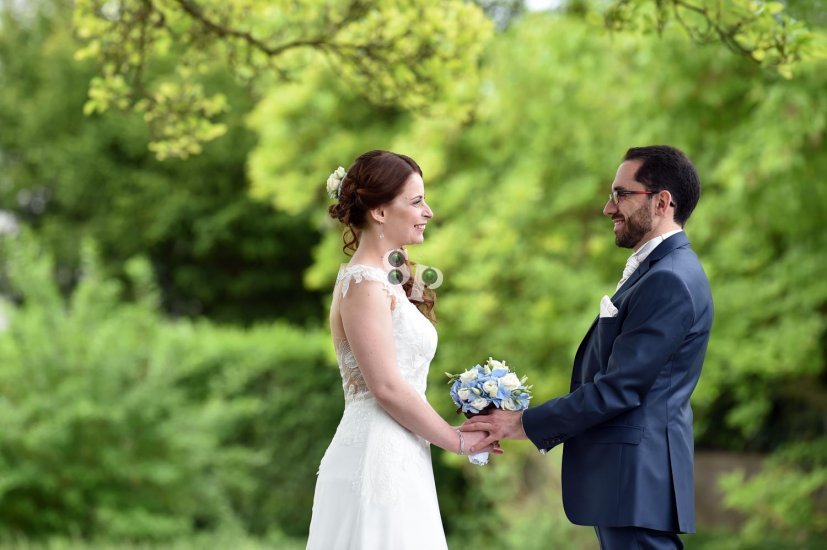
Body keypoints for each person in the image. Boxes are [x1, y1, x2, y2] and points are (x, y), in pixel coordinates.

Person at [463, 145, 714, 549]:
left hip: (635, 483)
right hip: (628, 487)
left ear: (663, 202)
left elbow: (618, 389)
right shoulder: (661, 271)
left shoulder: (668, 279)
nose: (608, 208)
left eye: (621, 194)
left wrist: (522, 423)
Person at [306, 150, 495, 549]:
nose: (428, 211)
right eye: (415, 201)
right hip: (376, 455)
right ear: (378, 211)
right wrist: (454, 440)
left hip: (404, 451)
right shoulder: (363, 284)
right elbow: (387, 387)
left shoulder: (391, 278)